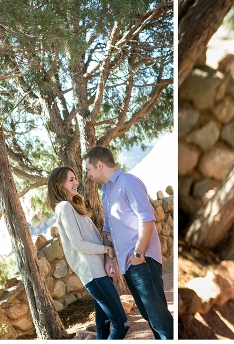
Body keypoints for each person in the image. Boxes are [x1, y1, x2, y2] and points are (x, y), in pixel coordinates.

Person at [84, 146, 174, 340]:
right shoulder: (107, 192)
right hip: (128, 266)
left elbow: (147, 219)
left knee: (161, 321)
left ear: (99, 165)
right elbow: (108, 229)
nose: (88, 175)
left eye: (88, 169)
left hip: (142, 261)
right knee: (150, 318)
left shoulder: (129, 183)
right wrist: (109, 259)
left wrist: (138, 255)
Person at [47, 166, 129, 340]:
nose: (76, 182)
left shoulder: (72, 206)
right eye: (71, 180)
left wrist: (106, 259)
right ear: (58, 184)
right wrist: (106, 249)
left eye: (75, 178)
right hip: (94, 274)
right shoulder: (64, 207)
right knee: (121, 324)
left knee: (103, 326)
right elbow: (78, 244)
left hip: (98, 272)